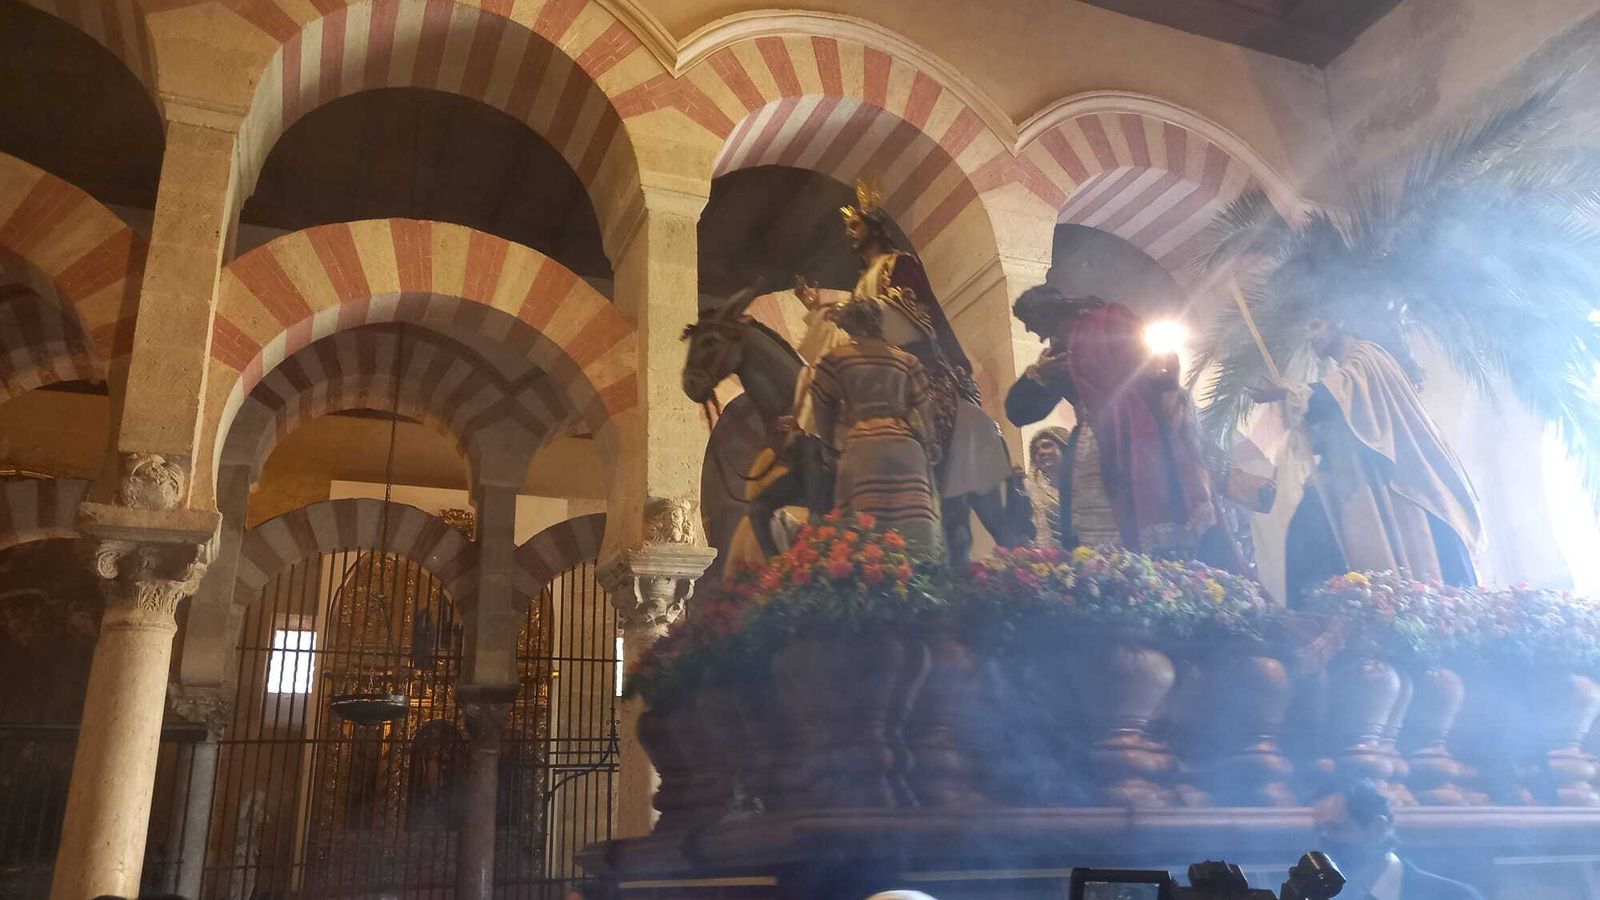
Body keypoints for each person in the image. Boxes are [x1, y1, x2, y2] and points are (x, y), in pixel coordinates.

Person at [1248, 317, 1480, 602]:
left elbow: (1340, 401)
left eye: (1316, 325)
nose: (1309, 336)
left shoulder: (1369, 356)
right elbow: (1342, 420)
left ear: (1340, 320)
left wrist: (1286, 392)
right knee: (1307, 528)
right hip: (1354, 480)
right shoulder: (1349, 368)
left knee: (1313, 525)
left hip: (1388, 484)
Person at [1005, 285, 1226, 566]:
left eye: (1031, 322)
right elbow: (1018, 413)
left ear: (1046, 311)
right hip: (1092, 446)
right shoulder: (1056, 358)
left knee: (1153, 524)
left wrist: (1166, 389)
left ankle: (1163, 584)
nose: (1031, 333)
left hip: (1140, 437)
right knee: (1095, 542)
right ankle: (1114, 586)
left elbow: (1155, 369)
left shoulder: (1109, 321)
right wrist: (1038, 376)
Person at [810, 297, 943, 556]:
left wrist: (827, 443)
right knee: (915, 535)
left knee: (864, 539)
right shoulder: (907, 361)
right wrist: (930, 442)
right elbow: (926, 406)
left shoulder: (836, 359)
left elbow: (821, 405)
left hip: (863, 446)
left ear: (850, 325)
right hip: (907, 449)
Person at [1314, 780, 1482, 900]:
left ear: (1377, 828)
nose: (1325, 840)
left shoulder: (1455, 897)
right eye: (1320, 830)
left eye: (1336, 829)